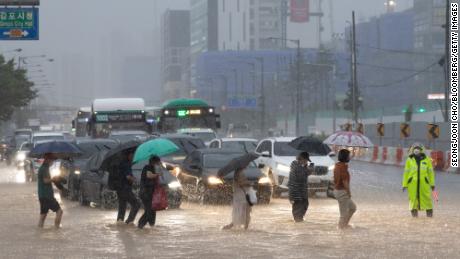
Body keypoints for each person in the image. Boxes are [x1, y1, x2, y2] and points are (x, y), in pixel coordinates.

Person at [402, 143, 435, 218]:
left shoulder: (427, 159)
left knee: (427, 199)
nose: (416, 150)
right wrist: (404, 184)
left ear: (422, 150)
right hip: (412, 184)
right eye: (415, 148)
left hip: (424, 183)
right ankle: (415, 219)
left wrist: (432, 184)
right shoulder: (409, 160)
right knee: (413, 200)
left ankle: (430, 218)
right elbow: (406, 173)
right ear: (412, 150)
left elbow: (430, 173)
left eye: (418, 148)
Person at [37, 153, 63, 228]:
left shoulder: (43, 168)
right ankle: (56, 229)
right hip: (47, 195)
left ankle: (39, 231)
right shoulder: (44, 168)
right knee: (59, 211)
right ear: (48, 160)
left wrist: (52, 179)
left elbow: (45, 180)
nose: (53, 162)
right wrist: (53, 179)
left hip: (42, 195)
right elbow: (45, 181)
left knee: (43, 215)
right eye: (52, 160)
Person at [333, 149, 357, 229]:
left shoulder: (338, 165)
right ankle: (341, 231)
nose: (349, 157)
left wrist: (353, 153)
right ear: (345, 157)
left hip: (338, 191)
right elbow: (345, 182)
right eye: (349, 156)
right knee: (343, 214)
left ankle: (344, 225)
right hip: (342, 192)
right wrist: (349, 193)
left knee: (353, 208)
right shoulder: (342, 167)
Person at [287, 151, 313, 222]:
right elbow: (301, 177)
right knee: (298, 207)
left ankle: (300, 220)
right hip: (296, 191)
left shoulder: (301, 166)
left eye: (307, 161)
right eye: (305, 160)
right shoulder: (296, 165)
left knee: (305, 204)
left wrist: (308, 169)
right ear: (301, 159)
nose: (306, 162)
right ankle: (298, 221)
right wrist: (308, 169)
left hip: (302, 191)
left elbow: (304, 175)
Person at [116, 151, 140, 225]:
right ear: (128, 155)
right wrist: (135, 180)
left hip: (119, 188)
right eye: (132, 155)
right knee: (136, 204)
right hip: (125, 189)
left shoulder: (121, 163)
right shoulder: (126, 164)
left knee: (122, 207)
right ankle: (129, 222)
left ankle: (120, 224)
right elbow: (128, 177)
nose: (133, 157)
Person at [138, 156, 161, 229]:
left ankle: (152, 226)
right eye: (158, 162)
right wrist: (157, 174)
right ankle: (140, 226)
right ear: (153, 162)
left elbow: (157, 180)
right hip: (145, 193)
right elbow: (149, 175)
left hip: (152, 193)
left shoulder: (155, 169)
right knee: (149, 210)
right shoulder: (147, 167)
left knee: (153, 210)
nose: (159, 164)